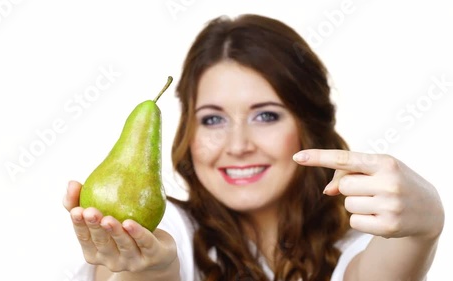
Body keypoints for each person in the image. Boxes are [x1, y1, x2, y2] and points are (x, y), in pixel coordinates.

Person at [62, 14, 445, 281]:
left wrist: (425, 226)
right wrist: (148, 270)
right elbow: (134, 271)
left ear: (307, 126)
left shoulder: (356, 244)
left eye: (265, 116)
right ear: (187, 134)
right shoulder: (169, 230)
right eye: (213, 119)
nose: (238, 145)